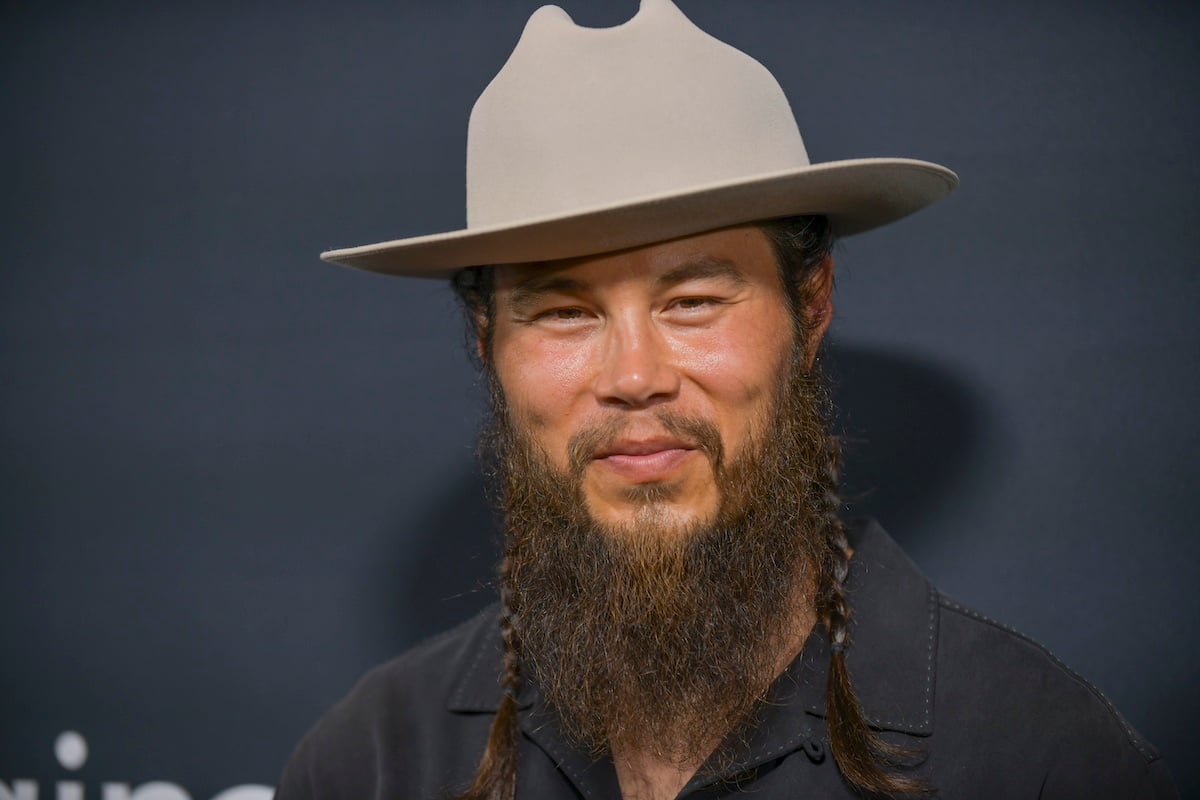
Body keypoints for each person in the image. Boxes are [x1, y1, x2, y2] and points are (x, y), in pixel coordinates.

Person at [277, 1, 1177, 798]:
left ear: (811, 306)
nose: (634, 374)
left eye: (693, 301)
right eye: (563, 311)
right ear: (486, 344)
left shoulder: (1038, 758)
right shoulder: (370, 761)